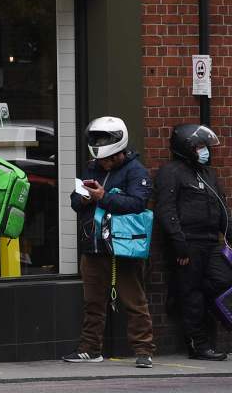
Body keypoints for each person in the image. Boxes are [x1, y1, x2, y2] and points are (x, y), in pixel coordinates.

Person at [64, 116, 155, 368]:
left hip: (124, 246)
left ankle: (144, 350)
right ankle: (90, 349)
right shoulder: (92, 168)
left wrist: (102, 197)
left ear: (118, 152)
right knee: (92, 301)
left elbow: (137, 204)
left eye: (105, 160)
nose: (100, 164)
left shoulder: (137, 172)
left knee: (134, 300)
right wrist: (82, 198)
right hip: (94, 244)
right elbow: (75, 201)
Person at [155, 124, 230, 361]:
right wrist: (179, 243)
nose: (204, 150)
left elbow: (221, 209)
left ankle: (180, 297)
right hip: (188, 244)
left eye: (205, 146)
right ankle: (197, 345)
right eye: (199, 146)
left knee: (223, 280)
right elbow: (166, 210)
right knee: (193, 294)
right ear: (185, 148)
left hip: (211, 243)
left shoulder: (208, 174)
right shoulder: (172, 172)